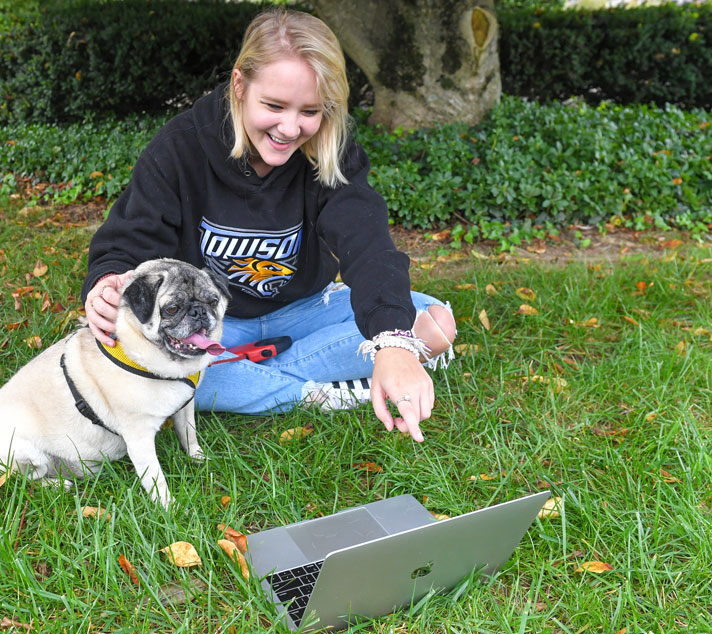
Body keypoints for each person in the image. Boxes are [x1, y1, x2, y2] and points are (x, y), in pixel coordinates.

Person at [80, 8, 456, 442]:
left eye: (310, 111)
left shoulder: (330, 150)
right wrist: (107, 282)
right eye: (274, 106)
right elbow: (129, 238)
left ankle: (243, 374)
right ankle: (312, 393)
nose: (290, 127)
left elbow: (366, 243)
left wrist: (392, 341)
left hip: (304, 311)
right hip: (208, 323)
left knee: (435, 322)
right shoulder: (180, 146)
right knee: (142, 363)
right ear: (240, 85)